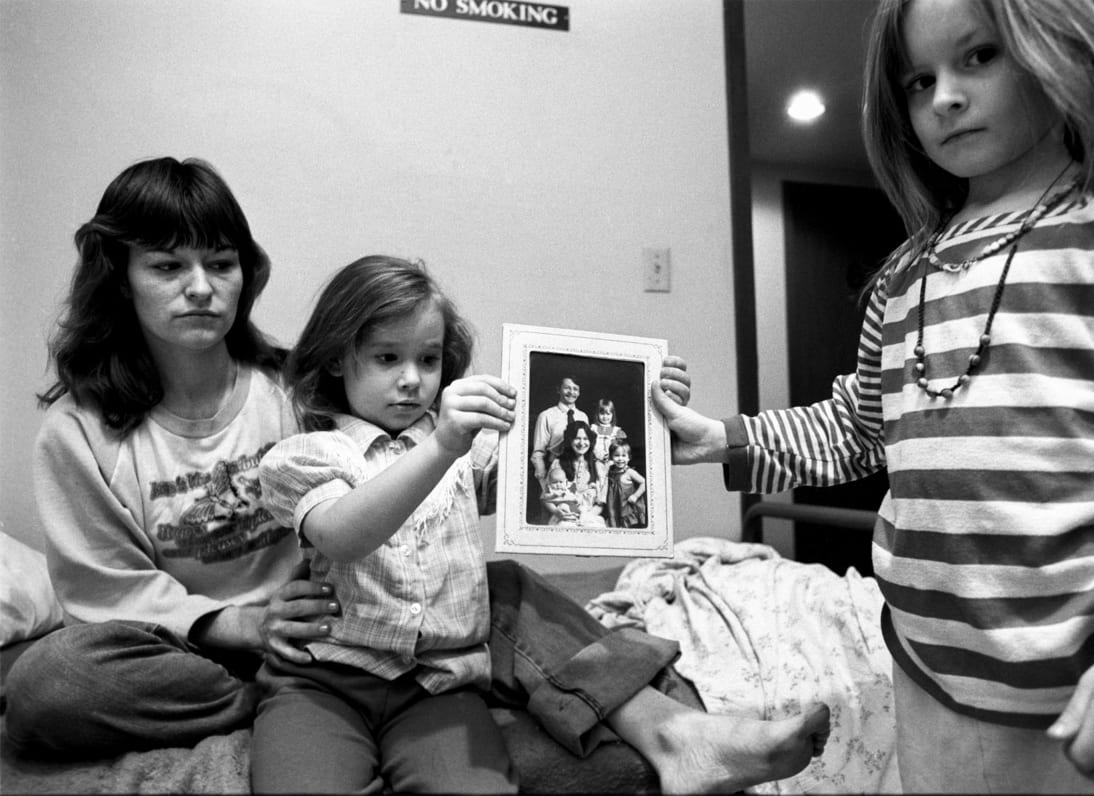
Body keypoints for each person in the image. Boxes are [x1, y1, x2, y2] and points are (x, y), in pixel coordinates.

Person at [7, 156, 831, 794]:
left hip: (351, 608)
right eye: (167, 266)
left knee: (498, 585)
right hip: (213, 653)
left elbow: (476, 490)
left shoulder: (296, 392)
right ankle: (294, 705)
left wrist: (640, 418)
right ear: (121, 274)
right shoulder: (80, 432)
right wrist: (242, 626)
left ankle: (671, 732)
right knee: (52, 678)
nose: (200, 288)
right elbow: (104, 591)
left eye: (220, 263)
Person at [651, 0, 1094, 792]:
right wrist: (721, 439)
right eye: (918, 79)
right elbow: (855, 430)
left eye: (979, 57)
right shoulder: (904, 275)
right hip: (925, 680)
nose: (944, 96)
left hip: (1092, 690)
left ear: (1060, 49)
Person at [251, 256, 522, 792]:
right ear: (335, 360)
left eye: (429, 359)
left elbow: (547, 482)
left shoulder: (469, 450)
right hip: (323, 682)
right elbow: (340, 535)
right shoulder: (307, 453)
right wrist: (443, 446)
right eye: (386, 358)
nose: (412, 380)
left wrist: (650, 415)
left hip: (439, 687)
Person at [529, 375, 586, 487]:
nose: (571, 392)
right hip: (555, 471)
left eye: (575, 389)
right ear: (558, 389)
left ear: (579, 393)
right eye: (567, 388)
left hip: (579, 472)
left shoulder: (583, 417)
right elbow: (538, 452)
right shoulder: (546, 416)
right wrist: (543, 479)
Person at [558, 419, 608, 528]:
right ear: (570, 440)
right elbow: (547, 498)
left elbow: (600, 504)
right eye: (577, 438)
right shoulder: (558, 464)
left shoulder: (598, 467)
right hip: (566, 517)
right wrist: (559, 512)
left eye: (585, 439)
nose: (582, 443)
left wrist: (586, 518)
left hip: (591, 517)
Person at [604, 439, 647, 529]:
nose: (620, 459)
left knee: (626, 526)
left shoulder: (629, 472)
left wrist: (635, 496)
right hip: (614, 505)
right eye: (616, 455)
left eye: (624, 456)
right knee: (614, 523)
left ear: (628, 458)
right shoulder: (611, 470)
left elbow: (644, 482)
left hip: (626, 506)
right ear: (611, 457)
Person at [540, 461, 581, 525]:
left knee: (582, 510)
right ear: (549, 484)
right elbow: (546, 498)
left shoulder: (569, 489)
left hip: (573, 512)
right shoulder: (551, 491)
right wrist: (553, 495)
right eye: (554, 482)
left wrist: (577, 500)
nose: (558, 484)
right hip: (558, 515)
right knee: (563, 506)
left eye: (561, 482)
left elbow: (576, 497)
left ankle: (577, 521)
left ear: (566, 482)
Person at [590, 397, 626, 465]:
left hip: (612, 462)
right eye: (602, 414)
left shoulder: (616, 431)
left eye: (608, 414)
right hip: (596, 461)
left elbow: (621, 449)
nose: (605, 417)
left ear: (612, 415)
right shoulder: (593, 429)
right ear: (597, 414)